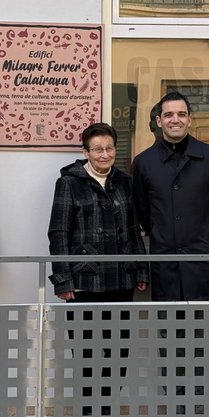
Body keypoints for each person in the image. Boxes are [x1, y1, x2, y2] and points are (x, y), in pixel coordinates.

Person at [131, 90, 209, 301]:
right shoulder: (143, 162)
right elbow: (143, 211)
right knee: (167, 321)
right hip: (165, 263)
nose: (175, 120)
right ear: (159, 121)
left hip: (203, 263)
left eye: (181, 114)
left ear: (190, 119)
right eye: (168, 115)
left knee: (203, 321)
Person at [48, 123, 148, 301]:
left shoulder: (125, 181)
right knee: (84, 322)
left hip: (123, 276)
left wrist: (141, 270)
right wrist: (63, 280)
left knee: (121, 321)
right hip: (84, 278)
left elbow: (133, 229)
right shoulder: (68, 183)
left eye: (109, 148)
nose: (105, 155)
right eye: (97, 149)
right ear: (86, 152)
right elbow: (59, 234)